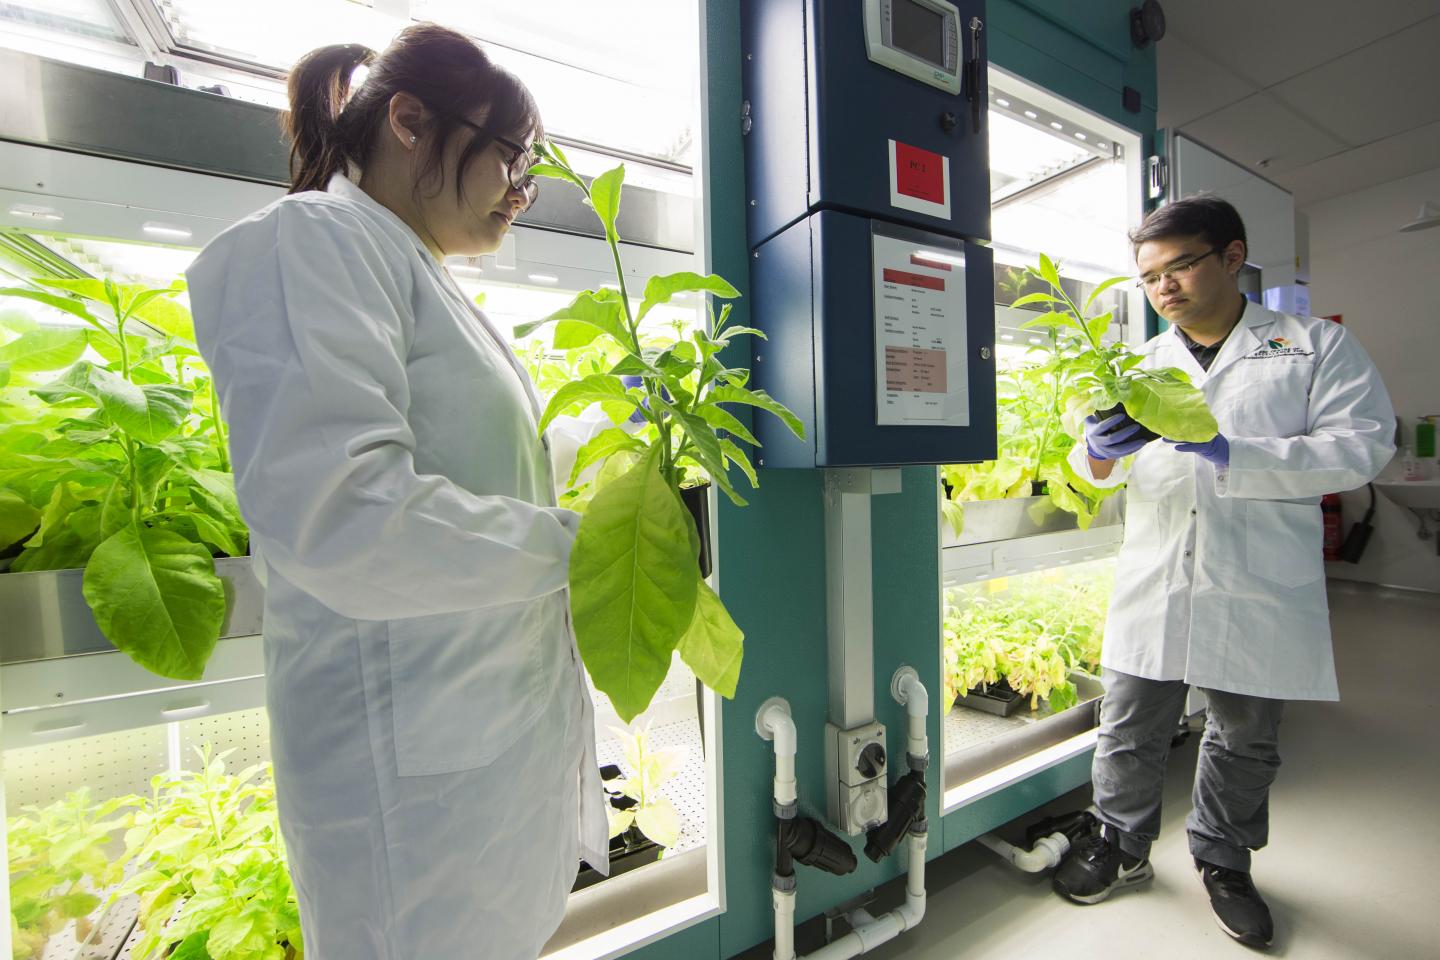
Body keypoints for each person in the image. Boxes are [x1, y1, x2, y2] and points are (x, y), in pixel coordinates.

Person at [185, 25, 606, 960]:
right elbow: (344, 516)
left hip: (482, 773)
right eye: (511, 159)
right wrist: (583, 550)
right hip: (408, 810)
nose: (519, 194)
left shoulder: (424, 279)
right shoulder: (313, 242)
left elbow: (500, 463)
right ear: (410, 121)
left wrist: (617, 448)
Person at [1050, 195, 1394, 947]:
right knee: (1130, 722)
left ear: (1232, 258)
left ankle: (1224, 859)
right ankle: (1119, 842)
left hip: (1259, 580)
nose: (1163, 288)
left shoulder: (1311, 346)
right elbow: (1092, 472)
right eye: (1148, 277)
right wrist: (1100, 451)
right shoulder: (1138, 363)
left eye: (1180, 266)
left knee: (1243, 735)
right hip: (1158, 573)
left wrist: (1234, 453)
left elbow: (1365, 443)